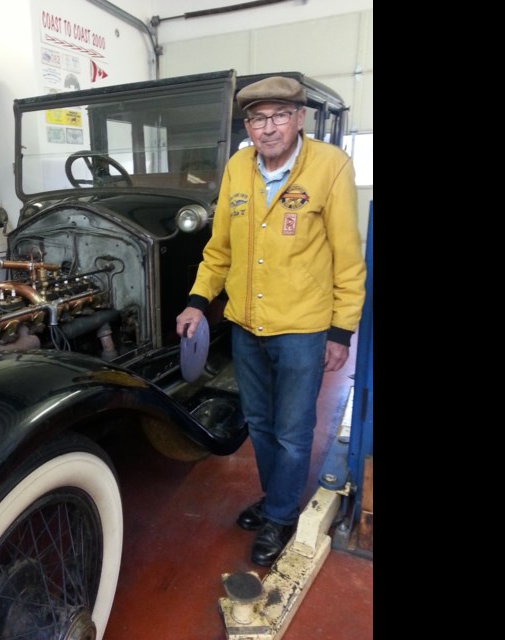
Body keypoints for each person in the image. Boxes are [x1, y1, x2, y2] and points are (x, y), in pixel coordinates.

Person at [175, 76, 366, 566]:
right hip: (246, 324)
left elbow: (348, 258)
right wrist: (198, 301)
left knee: (293, 430)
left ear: (300, 118)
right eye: (258, 118)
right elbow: (218, 249)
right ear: (247, 126)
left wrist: (341, 331)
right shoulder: (239, 167)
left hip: (302, 328)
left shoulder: (330, 166)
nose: (269, 127)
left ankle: (281, 515)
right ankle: (276, 498)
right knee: (259, 423)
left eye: (280, 115)